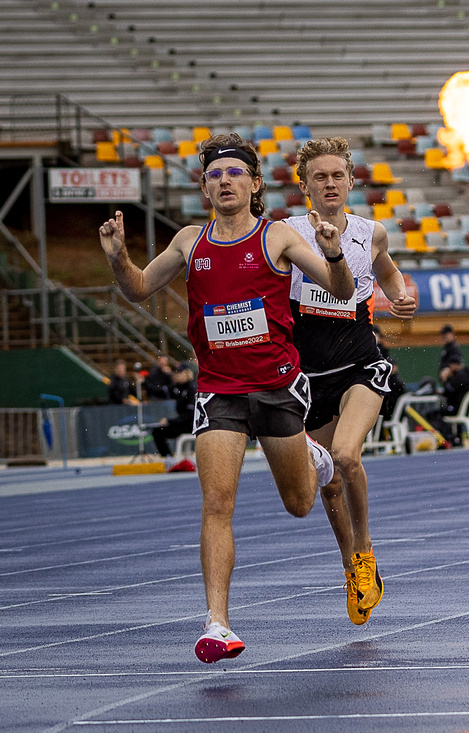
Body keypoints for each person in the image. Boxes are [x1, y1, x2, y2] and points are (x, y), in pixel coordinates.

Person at [98, 132, 353, 663]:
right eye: (214, 175)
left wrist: (333, 254)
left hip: (278, 388)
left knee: (299, 504)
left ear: (255, 183)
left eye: (235, 172)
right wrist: (119, 258)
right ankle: (217, 622)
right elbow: (139, 288)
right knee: (217, 502)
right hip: (220, 392)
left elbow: (340, 290)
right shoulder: (191, 241)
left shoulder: (277, 236)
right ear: (204, 187)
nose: (224, 181)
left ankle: (313, 457)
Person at [285, 136, 417, 625]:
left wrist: (399, 296)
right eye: (319, 176)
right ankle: (349, 565)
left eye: (337, 175)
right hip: (309, 370)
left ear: (351, 180)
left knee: (345, 454)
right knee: (328, 483)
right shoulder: (287, 233)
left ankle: (365, 552)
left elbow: (387, 271)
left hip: (360, 359)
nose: (330, 183)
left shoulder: (370, 232)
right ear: (305, 185)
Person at [152, 361, 197, 457]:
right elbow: (158, 391)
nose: (175, 375)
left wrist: (169, 421)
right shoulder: (177, 388)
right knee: (157, 431)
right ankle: (168, 457)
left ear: (186, 373)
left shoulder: (192, 388)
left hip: (191, 424)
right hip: (183, 422)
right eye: (175, 372)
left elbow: (190, 415)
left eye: (178, 372)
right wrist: (144, 382)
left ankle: (169, 458)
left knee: (160, 431)